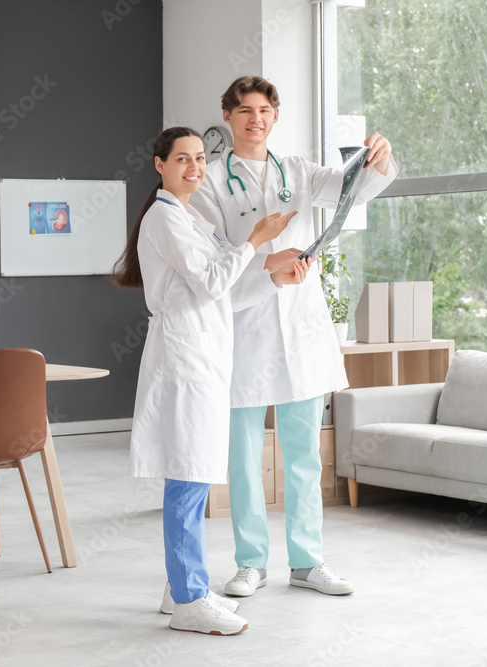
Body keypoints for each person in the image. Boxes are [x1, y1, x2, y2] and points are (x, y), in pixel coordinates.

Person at [189, 75, 398, 597]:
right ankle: (250, 563)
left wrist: (380, 157)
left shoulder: (300, 173)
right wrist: (265, 265)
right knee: (242, 456)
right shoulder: (211, 183)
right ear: (229, 117)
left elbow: (361, 186)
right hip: (243, 329)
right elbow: (213, 264)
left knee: (304, 454)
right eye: (244, 111)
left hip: (302, 331)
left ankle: (307, 563)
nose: (255, 118)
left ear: (275, 117)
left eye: (264, 110)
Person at [114, 126, 307, 636]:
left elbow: (222, 292)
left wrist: (272, 276)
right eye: (183, 159)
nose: (195, 168)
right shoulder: (164, 218)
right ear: (159, 164)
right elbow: (215, 280)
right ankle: (190, 599)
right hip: (184, 362)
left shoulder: (190, 218)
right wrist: (256, 241)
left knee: (194, 477)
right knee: (188, 477)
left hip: (203, 358)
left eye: (201, 158)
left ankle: (178, 587)